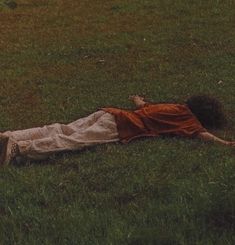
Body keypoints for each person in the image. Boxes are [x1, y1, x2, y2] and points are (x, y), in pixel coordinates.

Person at [0, 95, 234, 165]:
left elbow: (144, 106)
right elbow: (202, 135)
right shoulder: (190, 122)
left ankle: (11, 135)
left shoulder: (176, 106)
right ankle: (19, 148)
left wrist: (138, 100)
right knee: (74, 141)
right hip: (121, 126)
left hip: (111, 113)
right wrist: (225, 144)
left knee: (63, 128)